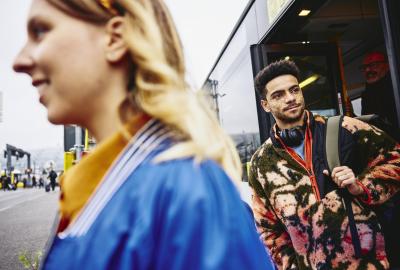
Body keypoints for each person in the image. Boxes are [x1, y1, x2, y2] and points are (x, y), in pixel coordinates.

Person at [13, 0, 273, 269]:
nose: (18, 61)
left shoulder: (186, 193)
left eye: (41, 31)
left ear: (114, 38)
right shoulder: (112, 183)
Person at [250, 59, 400, 269]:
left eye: (294, 90)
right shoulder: (260, 163)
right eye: (278, 95)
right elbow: (268, 229)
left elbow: (395, 159)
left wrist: (361, 186)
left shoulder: (345, 128)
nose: (290, 98)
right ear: (265, 105)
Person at [361, 52, 398, 127]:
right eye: (365, 67)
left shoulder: (396, 88)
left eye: (374, 65)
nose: (367, 70)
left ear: (387, 66)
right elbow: (369, 125)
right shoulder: (366, 95)